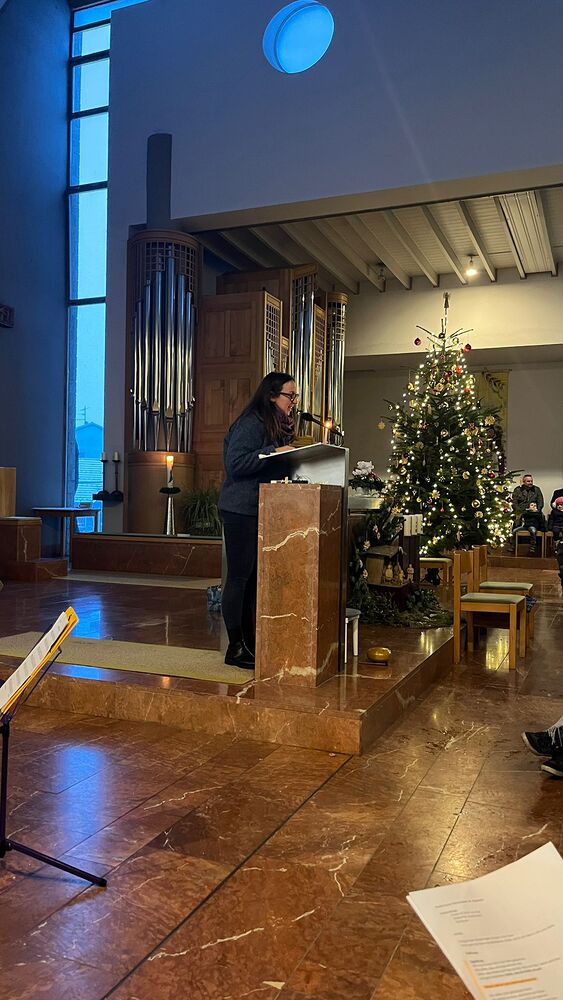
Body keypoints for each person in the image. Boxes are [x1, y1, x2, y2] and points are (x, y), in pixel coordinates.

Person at [219, 372, 297, 669]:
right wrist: (274, 451)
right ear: (271, 396)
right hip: (240, 509)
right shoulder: (251, 423)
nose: (294, 401)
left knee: (252, 579)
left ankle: (250, 643)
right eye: (290, 395)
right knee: (239, 578)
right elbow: (235, 464)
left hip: (261, 509)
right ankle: (235, 647)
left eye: (295, 396)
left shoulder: (276, 424)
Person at [511, 474, 545, 554]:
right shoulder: (517, 490)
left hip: (534, 513)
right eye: (528, 481)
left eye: (531, 481)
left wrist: (536, 510)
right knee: (516, 521)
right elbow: (514, 503)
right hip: (521, 513)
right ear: (524, 482)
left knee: (539, 519)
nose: (530, 483)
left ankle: (535, 546)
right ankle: (514, 546)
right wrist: (521, 511)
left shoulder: (537, 489)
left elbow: (540, 502)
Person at [547, 497, 563, 588]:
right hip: (556, 525)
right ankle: (556, 541)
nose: (560, 506)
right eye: (558, 505)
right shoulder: (554, 512)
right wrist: (550, 527)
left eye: (561, 505)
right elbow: (551, 520)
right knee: (555, 531)